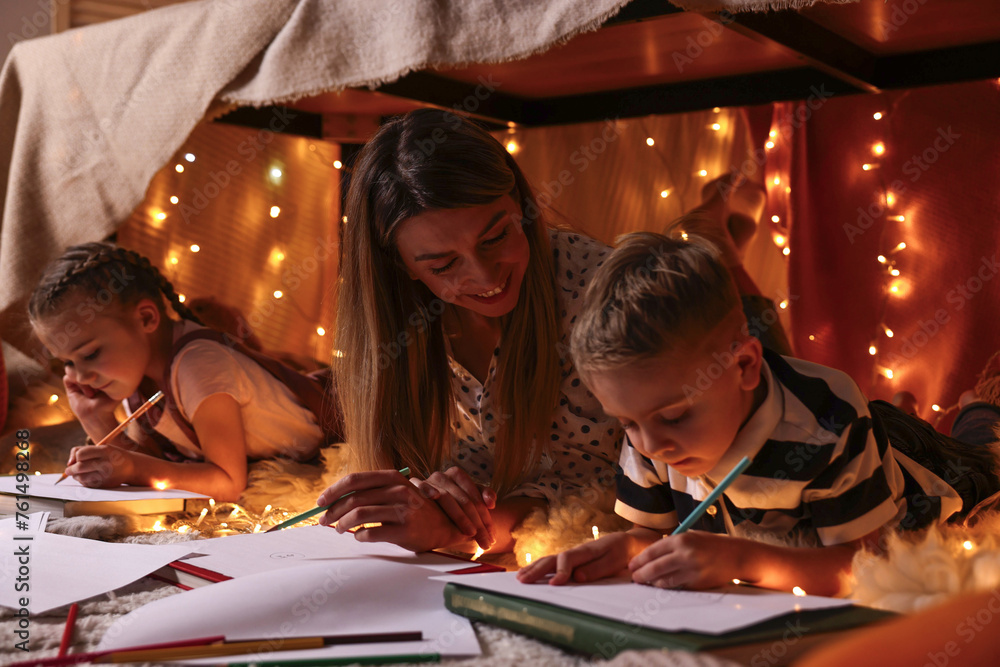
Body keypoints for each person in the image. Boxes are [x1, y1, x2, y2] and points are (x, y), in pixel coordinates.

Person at [315, 109, 788, 555]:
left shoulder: (599, 296)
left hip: (691, 326)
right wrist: (435, 504)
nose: (485, 276)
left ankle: (712, 237)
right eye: (443, 264)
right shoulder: (391, 327)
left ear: (524, 207)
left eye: (497, 236)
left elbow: (607, 488)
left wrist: (463, 528)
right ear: (402, 268)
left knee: (738, 327)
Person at [518, 230, 1000, 597]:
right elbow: (654, 532)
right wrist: (621, 548)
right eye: (627, 423)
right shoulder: (649, 419)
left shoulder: (827, 418)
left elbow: (863, 564)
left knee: (984, 449)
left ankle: (980, 405)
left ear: (746, 365)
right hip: (845, 436)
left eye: (676, 417)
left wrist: (741, 560)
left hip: (928, 473)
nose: (649, 446)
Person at [28, 243, 326, 500]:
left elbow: (228, 482)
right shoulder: (138, 372)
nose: (79, 377)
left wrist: (132, 468)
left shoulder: (198, 365)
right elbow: (161, 467)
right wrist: (97, 421)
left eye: (90, 354)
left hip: (323, 447)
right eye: (67, 363)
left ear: (146, 318)